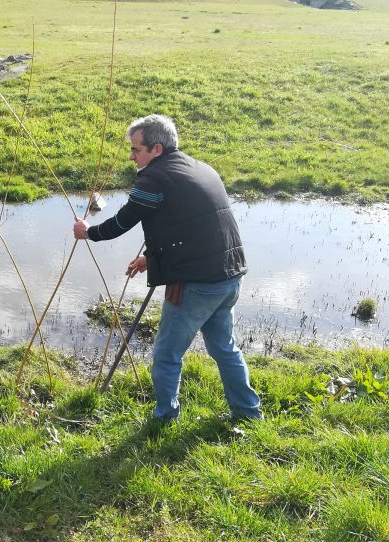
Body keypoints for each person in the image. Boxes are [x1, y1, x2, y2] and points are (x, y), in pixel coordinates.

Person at [73, 114, 263, 423]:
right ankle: (248, 413)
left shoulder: (154, 179)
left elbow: (122, 222)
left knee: (166, 356)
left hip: (196, 283)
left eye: (136, 149)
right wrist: (151, 257)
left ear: (156, 149)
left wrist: (88, 231)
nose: (132, 156)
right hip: (229, 274)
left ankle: (163, 420)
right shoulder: (200, 168)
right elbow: (189, 225)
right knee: (224, 348)